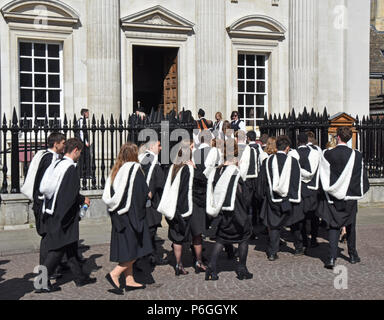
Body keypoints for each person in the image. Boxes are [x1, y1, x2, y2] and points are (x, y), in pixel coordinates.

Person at [38, 138, 96, 293]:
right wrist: (73, 215)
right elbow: (68, 195)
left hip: (53, 212)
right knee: (57, 251)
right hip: (63, 216)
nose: (80, 156)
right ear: (76, 150)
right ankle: (41, 282)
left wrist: (81, 198)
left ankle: (80, 277)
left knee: (70, 248)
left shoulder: (58, 163)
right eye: (80, 152)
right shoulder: (70, 168)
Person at [103, 142, 153, 295]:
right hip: (132, 216)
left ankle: (129, 280)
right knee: (138, 248)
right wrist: (148, 194)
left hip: (119, 216)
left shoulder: (116, 170)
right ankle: (115, 274)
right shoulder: (135, 169)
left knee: (127, 248)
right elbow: (140, 193)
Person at [318, 127, 370, 269]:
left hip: (333, 196)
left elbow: (323, 174)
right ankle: (352, 255)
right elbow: (361, 176)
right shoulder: (357, 155)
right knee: (350, 225)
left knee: (333, 226)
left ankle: (331, 258)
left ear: (337, 137)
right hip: (350, 195)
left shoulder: (328, 154)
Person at [205, 139, 253, 281]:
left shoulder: (216, 171)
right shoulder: (235, 173)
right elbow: (242, 195)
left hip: (220, 211)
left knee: (221, 239)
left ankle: (211, 267)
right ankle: (242, 268)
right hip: (235, 211)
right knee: (244, 238)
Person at [21, 133, 66, 274]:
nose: (64, 146)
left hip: (42, 203)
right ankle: (47, 272)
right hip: (44, 205)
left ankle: (56, 266)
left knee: (52, 237)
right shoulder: (49, 159)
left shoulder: (45, 156)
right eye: (63, 143)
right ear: (56, 144)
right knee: (48, 238)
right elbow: (46, 185)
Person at [257, 135, 305, 261]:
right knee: (294, 224)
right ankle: (298, 247)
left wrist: (262, 196)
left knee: (274, 226)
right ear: (288, 148)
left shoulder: (267, 161)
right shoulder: (293, 161)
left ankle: (273, 252)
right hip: (290, 199)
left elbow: (262, 181)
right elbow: (296, 180)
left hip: (273, 198)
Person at [157, 141, 195, 276]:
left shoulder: (174, 166)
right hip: (182, 207)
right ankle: (185, 263)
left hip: (171, 208)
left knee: (176, 238)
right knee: (182, 237)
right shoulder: (187, 169)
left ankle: (178, 264)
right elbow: (186, 190)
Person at [139, 140, 168, 266]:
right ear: (151, 147)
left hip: (144, 198)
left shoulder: (143, 158)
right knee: (151, 228)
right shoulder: (151, 160)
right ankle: (148, 256)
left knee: (149, 229)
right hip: (150, 200)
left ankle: (150, 254)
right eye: (159, 145)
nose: (161, 148)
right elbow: (158, 181)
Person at [296, 132, 321, 249]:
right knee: (314, 216)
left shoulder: (294, 153)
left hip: (299, 188)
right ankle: (314, 238)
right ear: (307, 141)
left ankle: (303, 240)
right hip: (313, 187)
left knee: (301, 217)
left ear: (298, 141)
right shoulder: (316, 153)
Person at [76, 109, 91, 179]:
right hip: (82, 143)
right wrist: (86, 142)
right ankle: (86, 174)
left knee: (82, 158)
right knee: (86, 158)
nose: (88, 114)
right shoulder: (82, 121)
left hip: (82, 142)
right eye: (87, 113)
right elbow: (81, 133)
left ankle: (82, 174)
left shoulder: (80, 121)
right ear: (84, 113)